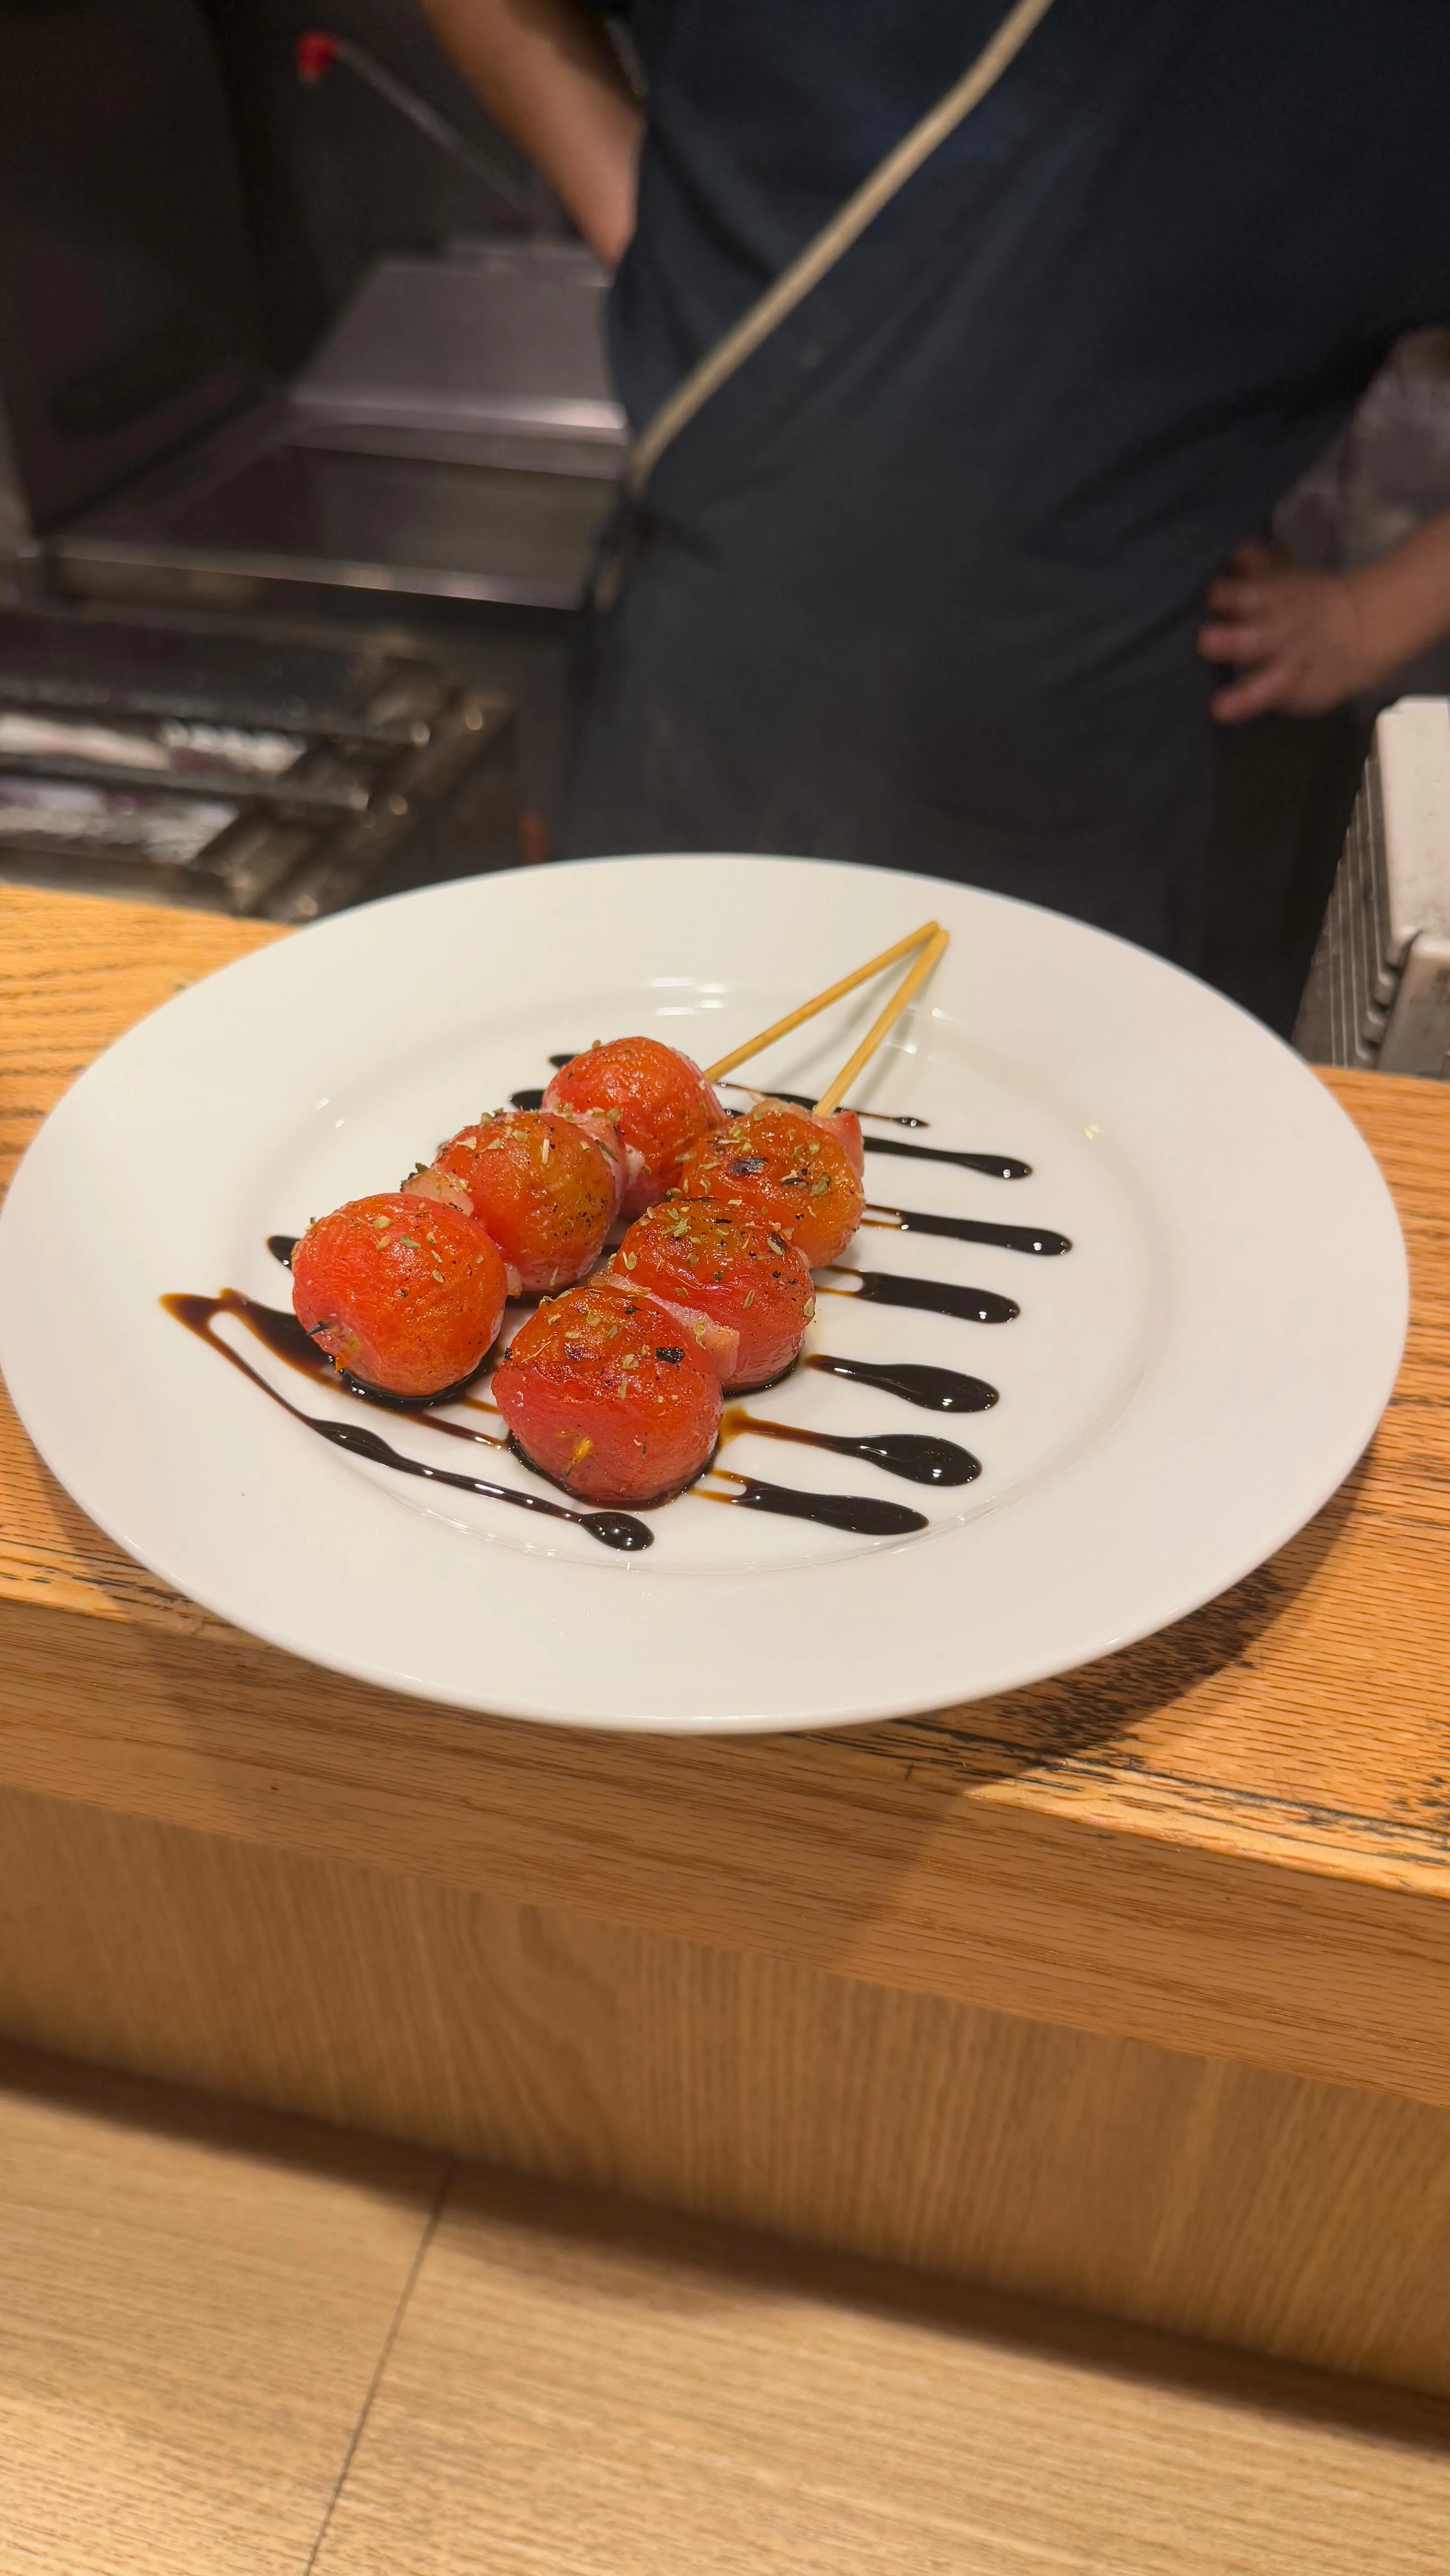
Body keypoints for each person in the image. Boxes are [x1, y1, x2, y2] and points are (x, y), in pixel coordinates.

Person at [422, 0, 1450, 1008]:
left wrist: (1372, 620)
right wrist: (635, 216)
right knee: (612, 1073)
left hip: (1074, 765)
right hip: (694, 684)